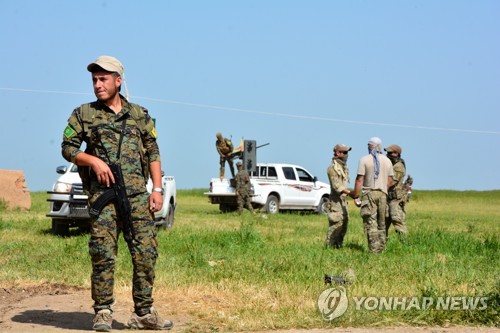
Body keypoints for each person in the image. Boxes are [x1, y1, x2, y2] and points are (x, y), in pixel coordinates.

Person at [61, 55, 173, 331]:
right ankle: (102, 312)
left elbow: (154, 151)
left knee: (146, 252)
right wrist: (93, 161)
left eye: (103, 79)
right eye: (94, 80)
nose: (98, 85)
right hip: (103, 198)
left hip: (137, 197)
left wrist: (156, 189)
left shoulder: (139, 114)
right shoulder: (83, 114)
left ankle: (144, 313)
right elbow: (67, 148)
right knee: (103, 254)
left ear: (118, 81)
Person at [350, 137, 394, 253]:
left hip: (369, 193)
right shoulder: (387, 161)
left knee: (371, 222)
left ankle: (374, 251)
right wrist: (384, 189)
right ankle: (382, 249)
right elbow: (390, 181)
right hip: (383, 194)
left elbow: (359, 179)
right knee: (382, 223)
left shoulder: (364, 160)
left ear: (370, 146)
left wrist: (355, 195)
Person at [325, 144, 352, 248]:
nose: (346, 155)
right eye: (344, 152)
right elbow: (337, 186)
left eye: (347, 153)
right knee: (335, 225)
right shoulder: (332, 168)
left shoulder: (343, 167)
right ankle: (329, 247)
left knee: (344, 224)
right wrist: (351, 193)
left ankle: (338, 246)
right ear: (337, 153)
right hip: (335, 201)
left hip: (343, 201)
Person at [385, 144, 408, 238]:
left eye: (390, 153)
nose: (387, 154)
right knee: (383, 221)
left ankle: (404, 243)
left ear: (396, 153)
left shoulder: (398, 166)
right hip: (388, 198)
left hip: (395, 199)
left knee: (397, 220)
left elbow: (392, 182)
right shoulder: (391, 165)